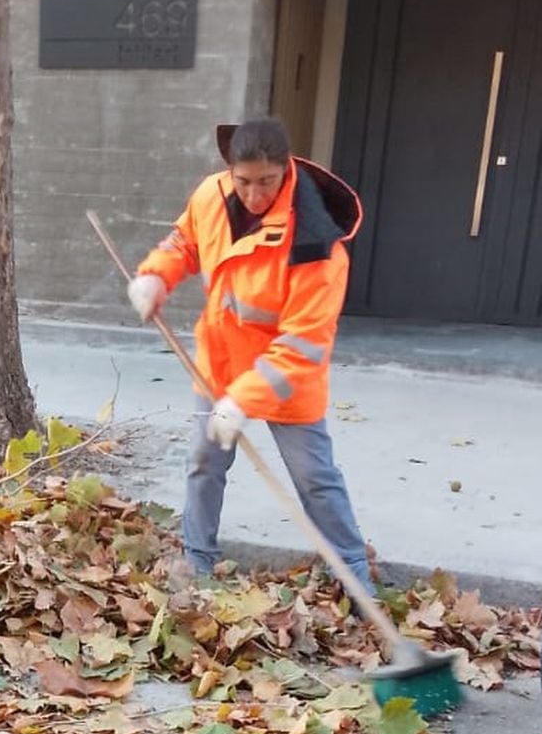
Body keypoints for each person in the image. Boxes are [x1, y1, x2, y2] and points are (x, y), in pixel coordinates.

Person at [127, 116, 372, 592]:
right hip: (219, 362)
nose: (255, 195)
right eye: (244, 182)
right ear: (229, 171)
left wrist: (243, 400)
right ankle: (197, 561)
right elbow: (184, 242)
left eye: (267, 182)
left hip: (284, 380)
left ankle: (355, 578)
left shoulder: (315, 243)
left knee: (314, 478)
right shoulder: (211, 196)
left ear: (286, 170)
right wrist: (156, 276)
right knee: (204, 461)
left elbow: (303, 344)